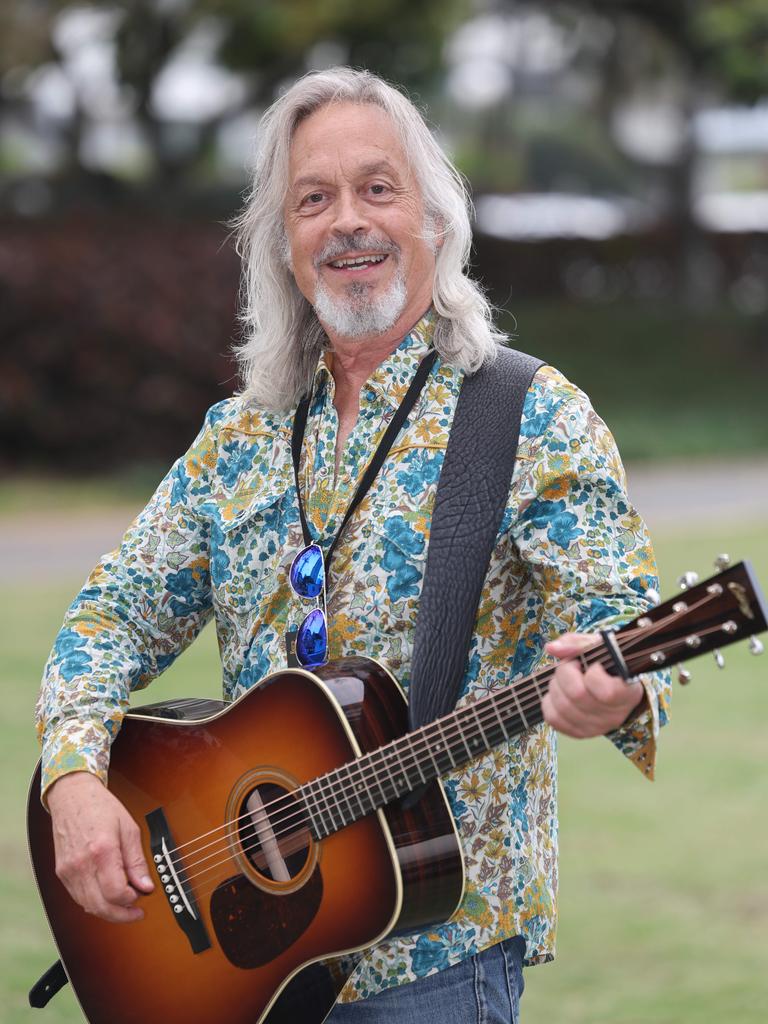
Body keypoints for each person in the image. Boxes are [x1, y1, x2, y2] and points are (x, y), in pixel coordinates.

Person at [36, 67, 670, 1023]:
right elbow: (112, 613)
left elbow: (619, 628)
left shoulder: (530, 415)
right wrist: (75, 775)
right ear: (283, 246)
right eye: (314, 200)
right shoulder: (239, 438)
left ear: (437, 222)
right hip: (240, 962)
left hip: (437, 959)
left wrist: (611, 687)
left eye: (379, 188)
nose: (348, 223)